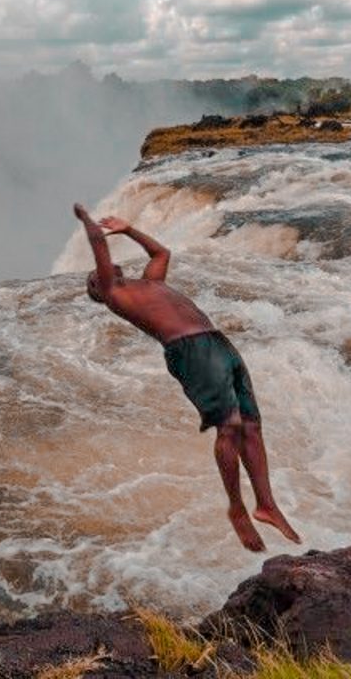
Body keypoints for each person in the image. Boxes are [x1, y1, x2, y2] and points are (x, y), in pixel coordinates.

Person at [72, 203, 300, 552]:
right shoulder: (117, 295)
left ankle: (267, 505)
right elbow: (99, 247)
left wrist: (128, 228)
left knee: (252, 426)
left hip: (218, 342)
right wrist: (88, 221)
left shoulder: (151, 283)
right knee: (231, 427)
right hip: (189, 351)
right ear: (101, 291)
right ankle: (237, 507)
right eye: (94, 279)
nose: (97, 274)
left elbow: (162, 251)